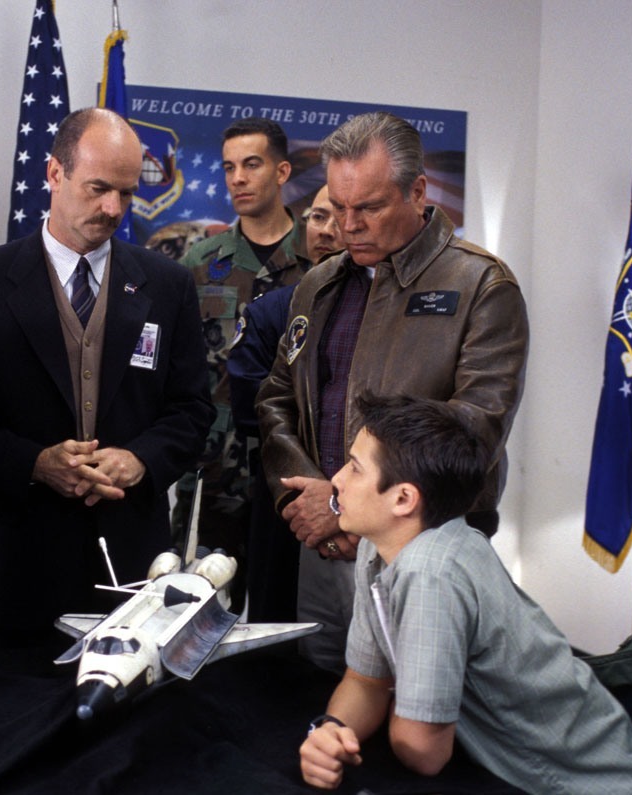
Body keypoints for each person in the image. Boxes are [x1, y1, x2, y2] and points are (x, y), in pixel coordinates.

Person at [0, 108, 213, 651]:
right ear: (55, 173)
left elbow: (192, 409)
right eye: (99, 189)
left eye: (126, 194)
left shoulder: (167, 285)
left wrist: (140, 459)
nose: (114, 210)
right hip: (22, 567)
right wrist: (35, 463)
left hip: (133, 571)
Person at [257, 112, 529, 674]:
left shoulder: (482, 285)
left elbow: (474, 432)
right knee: (324, 699)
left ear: (418, 192)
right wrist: (306, 501)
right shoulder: (319, 283)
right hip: (323, 547)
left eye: (369, 207)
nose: (347, 225)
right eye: (338, 206)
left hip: (426, 552)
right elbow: (277, 399)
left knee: (421, 708)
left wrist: (346, 508)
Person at [299, 393, 632, 793]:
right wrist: (331, 731)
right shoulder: (379, 545)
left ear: (403, 499)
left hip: (579, 781)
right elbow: (365, 681)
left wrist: (402, 710)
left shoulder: (430, 573)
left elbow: (424, 752)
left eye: (355, 469)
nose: (337, 480)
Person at [175, 118, 310, 593]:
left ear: (282, 171)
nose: (238, 178)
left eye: (252, 165)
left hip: (294, 470)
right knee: (195, 605)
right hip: (214, 468)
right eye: (229, 167)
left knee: (284, 610)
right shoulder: (200, 262)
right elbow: (177, 367)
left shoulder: (320, 262)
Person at [228, 184, 344, 621]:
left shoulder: (386, 314)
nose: (326, 230)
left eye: (339, 217)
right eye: (317, 216)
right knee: (277, 632)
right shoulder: (273, 312)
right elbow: (251, 408)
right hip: (287, 501)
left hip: (364, 506)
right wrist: (313, 481)